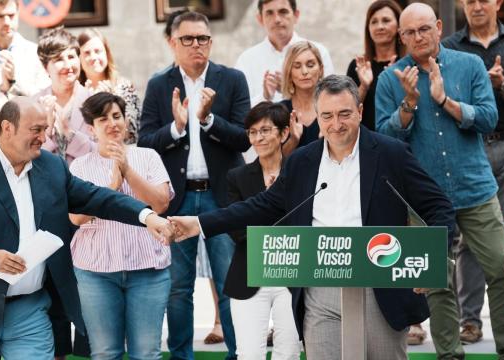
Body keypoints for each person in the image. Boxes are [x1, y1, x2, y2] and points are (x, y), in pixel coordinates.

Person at [169, 75, 455, 360]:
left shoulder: (392, 154)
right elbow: (263, 205)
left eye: (344, 114)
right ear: (317, 117)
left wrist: (435, 258)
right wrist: (200, 223)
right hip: (319, 289)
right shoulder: (302, 161)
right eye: (327, 116)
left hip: (379, 286)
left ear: (360, 111)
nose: (336, 124)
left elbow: (438, 206)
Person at [0, 96, 174, 359]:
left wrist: (147, 216)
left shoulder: (52, 166)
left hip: (29, 310)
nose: (43, 138)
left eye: (45, 129)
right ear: (7, 128)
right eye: (35, 130)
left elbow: (98, 198)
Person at [375, 3, 504, 358]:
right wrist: (408, 105)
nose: (418, 37)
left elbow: (489, 117)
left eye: (424, 29)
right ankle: (449, 355)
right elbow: (384, 142)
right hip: (424, 197)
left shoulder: (469, 66)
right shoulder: (391, 79)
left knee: (501, 265)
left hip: (475, 187)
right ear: (401, 37)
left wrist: (446, 101)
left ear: (438, 27)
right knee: (436, 281)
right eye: (409, 32)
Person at [138, 11, 251, 360]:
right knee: (178, 288)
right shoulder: (160, 85)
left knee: (230, 283)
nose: (196, 45)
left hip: (221, 197)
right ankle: (182, 355)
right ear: (173, 43)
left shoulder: (232, 79)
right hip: (178, 198)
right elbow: (144, 143)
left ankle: (240, 353)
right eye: (187, 39)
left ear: (210, 42)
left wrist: (208, 120)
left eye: (202, 38)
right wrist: (176, 127)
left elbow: (245, 139)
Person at [69, 92, 173, 359]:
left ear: (126, 120)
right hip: (96, 273)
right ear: (91, 128)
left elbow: (160, 204)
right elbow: (75, 217)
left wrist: (128, 171)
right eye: (103, 119)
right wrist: (112, 187)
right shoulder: (79, 167)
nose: (112, 123)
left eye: (117, 116)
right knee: (105, 353)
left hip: (147, 270)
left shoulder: (148, 157)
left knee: (146, 353)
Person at [441, 0, 504, 345]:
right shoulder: (451, 47)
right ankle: (470, 320)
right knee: (472, 232)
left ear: (497, 2)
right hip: (468, 148)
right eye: (469, 0)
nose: (476, 6)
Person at [225, 101, 301, 359]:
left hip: (292, 273)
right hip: (248, 272)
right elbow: (236, 229)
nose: (259, 137)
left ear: (283, 134)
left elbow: (305, 225)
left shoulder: (301, 174)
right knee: (248, 354)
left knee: (289, 352)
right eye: (253, 132)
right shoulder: (237, 177)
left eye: (266, 130)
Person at [235, 0, 334, 107]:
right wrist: (264, 97)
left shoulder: (318, 52)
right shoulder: (246, 60)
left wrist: (291, 89)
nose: (277, 19)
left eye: (283, 12)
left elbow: (330, 99)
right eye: (269, 13)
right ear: (260, 19)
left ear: (296, 15)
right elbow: (240, 109)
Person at [34, 27, 94, 165]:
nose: (68, 65)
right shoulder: (34, 104)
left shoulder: (95, 101)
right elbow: (26, 155)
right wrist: (47, 129)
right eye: (59, 59)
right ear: (45, 67)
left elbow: (105, 153)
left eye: (71, 57)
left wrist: (71, 135)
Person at [346, 0, 404, 131]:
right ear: (368, 29)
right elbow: (348, 110)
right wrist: (364, 86)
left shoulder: (407, 64)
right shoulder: (357, 67)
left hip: (399, 141)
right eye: (374, 22)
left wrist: (394, 84)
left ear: (399, 26)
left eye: (386, 20)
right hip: (366, 143)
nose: (380, 26)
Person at [78, 29, 141, 145]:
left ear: (107, 53)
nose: (93, 57)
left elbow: (132, 134)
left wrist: (111, 101)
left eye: (98, 51)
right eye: (87, 53)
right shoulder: (76, 92)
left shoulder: (125, 88)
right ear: (79, 58)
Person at [279, 41, 322, 156]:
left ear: (320, 69)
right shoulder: (280, 111)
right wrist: (293, 140)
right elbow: (276, 162)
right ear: (289, 72)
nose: (304, 72)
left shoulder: (333, 108)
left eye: (310, 65)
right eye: (297, 66)